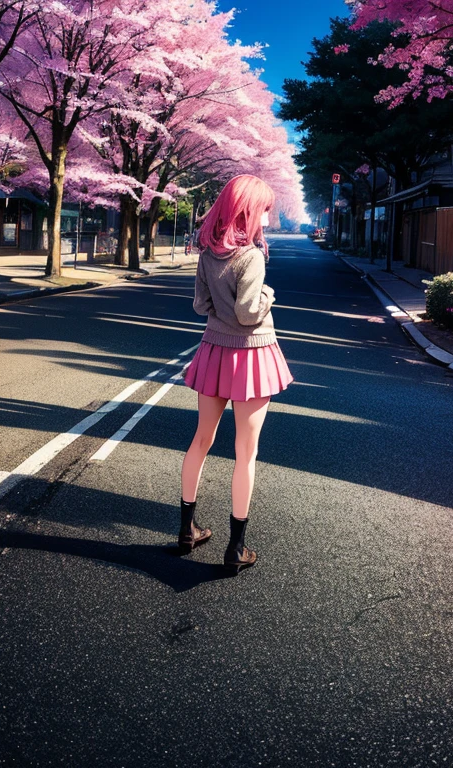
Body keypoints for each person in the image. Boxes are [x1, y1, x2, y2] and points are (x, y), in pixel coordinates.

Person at [180, 175, 293, 574]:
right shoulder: (252, 256)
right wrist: (268, 296)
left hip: (214, 349)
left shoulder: (208, 252)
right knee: (246, 453)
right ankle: (236, 547)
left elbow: (200, 304)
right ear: (249, 209)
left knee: (201, 440)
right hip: (251, 355)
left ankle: (186, 530)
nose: (267, 214)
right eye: (264, 207)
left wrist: (224, 308)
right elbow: (249, 313)